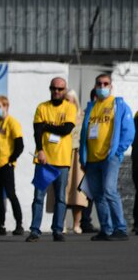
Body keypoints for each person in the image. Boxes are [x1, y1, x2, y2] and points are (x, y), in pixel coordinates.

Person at [79, 73, 135, 241]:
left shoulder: (118, 105)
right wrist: (83, 156)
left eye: (105, 84)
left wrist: (118, 151)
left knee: (110, 191)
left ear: (111, 86)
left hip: (110, 157)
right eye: (99, 84)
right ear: (95, 86)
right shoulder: (91, 107)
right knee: (98, 195)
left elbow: (129, 131)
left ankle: (120, 229)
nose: (102, 86)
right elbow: (84, 133)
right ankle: (106, 229)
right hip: (92, 159)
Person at [27, 77, 77, 242]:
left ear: (65, 90)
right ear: (50, 89)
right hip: (44, 160)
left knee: (60, 197)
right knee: (38, 197)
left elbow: (66, 129)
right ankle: (35, 230)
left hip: (62, 160)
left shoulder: (70, 107)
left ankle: (57, 230)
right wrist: (40, 151)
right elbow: (37, 131)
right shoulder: (42, 107)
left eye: (60, 89)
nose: (56, 91)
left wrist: (46, 126)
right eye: (54, 88)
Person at [0, 95, 24, 236]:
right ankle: (0, 225)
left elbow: (19, 145)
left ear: (6, 107)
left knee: (11, 194)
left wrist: (11, 160)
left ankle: (19, 224)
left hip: (5, 164)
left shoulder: (12, 122)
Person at [61, 90, 89, 233]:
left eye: (69, 100)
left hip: (77, 155)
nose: (67, 102)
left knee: (77, 191)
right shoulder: (60, 116)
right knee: (62, 190)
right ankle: (61, 223)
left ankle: (77, 224)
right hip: (62, 154)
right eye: (65, 99)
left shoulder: (82, 117)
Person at [78, 89, 99, 234]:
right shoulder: (86, 114)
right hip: (89, 157)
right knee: (88, 191)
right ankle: (85, 222)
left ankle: (87, 221)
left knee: (97, 191)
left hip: (100, 156)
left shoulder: (104, 114)